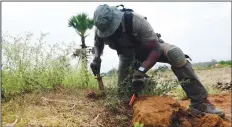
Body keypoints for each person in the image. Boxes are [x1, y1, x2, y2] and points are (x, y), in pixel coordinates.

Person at [90, 4, 225, 118]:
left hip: (149, 49)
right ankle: (144, 91)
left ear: (117, 19)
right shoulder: (102, 27)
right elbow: (98, 43)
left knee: (175, 54)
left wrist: (141, 71)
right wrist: (96, 58)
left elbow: (155, 49)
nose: (110, 33)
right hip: (127, 56)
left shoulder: (136, 21)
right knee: (122, 95)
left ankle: (200, 103)